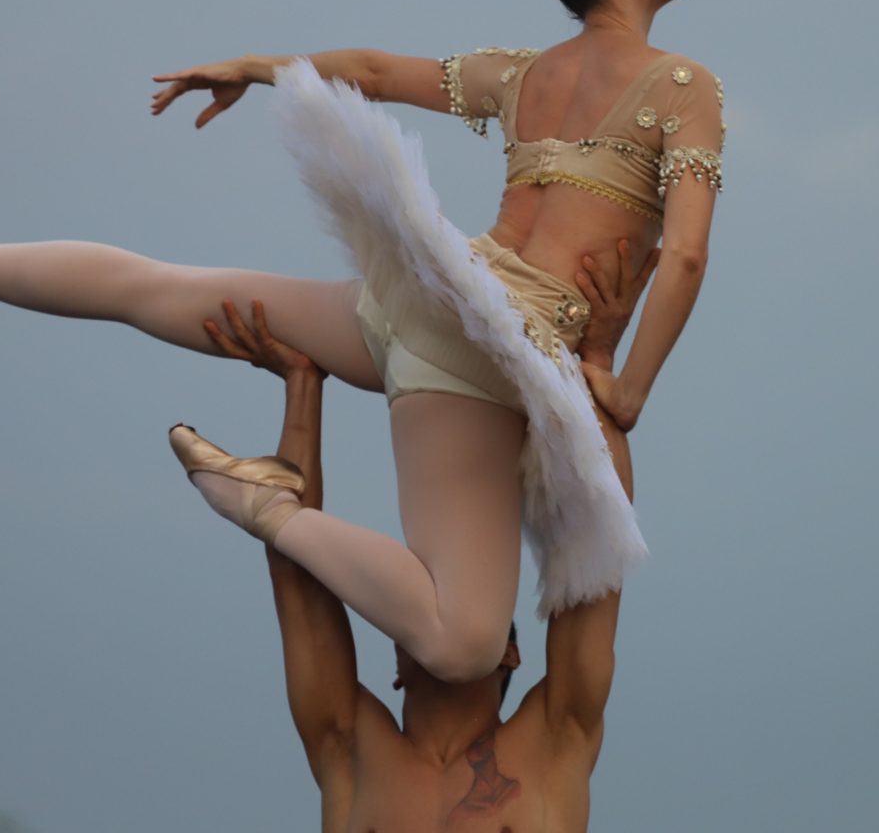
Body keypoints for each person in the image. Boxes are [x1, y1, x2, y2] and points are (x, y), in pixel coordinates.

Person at [0, 0, 722, 683]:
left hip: (419, 299)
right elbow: (682, 254)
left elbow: (362, 70)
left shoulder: (525, 75)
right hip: (489, 350)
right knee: (464, 643)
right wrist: (627, 390)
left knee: (153, 289)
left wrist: (255, 66)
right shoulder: (684, 86)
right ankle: (269, 510)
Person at [194, 231, 647, 831]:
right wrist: (303, 381)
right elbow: (297, 577)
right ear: (398, 665)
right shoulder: (349, 752)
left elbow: (598, 545)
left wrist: (596, 363)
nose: (428, 612)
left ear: (510, 651)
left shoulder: (556, 742)